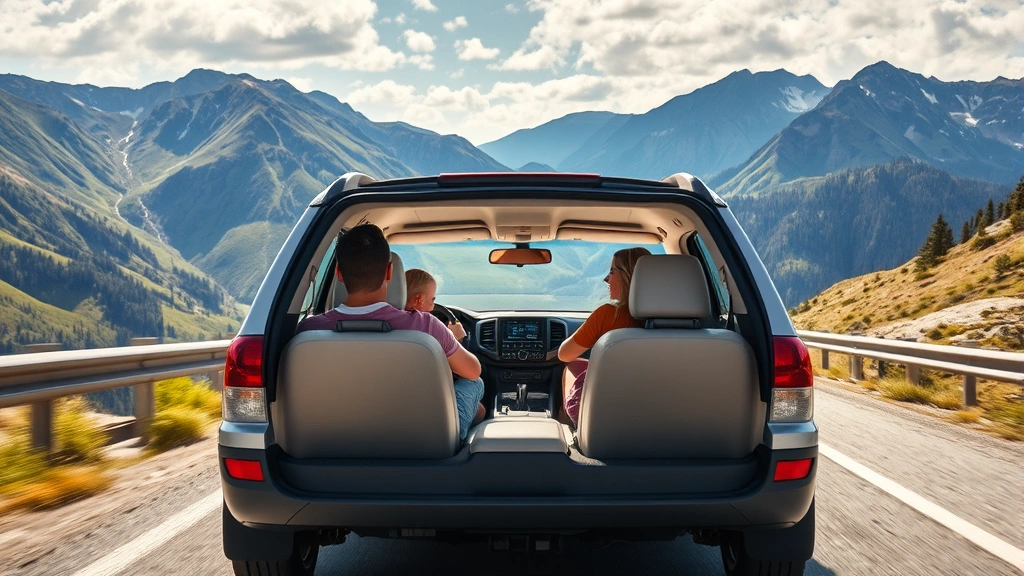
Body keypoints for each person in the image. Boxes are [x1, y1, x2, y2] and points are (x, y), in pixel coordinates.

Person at [295, 224, 485, 441]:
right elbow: (472, 372)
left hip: (337, 438)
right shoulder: (426, 326)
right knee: (475, 385)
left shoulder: (308, 331)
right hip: (422, 442)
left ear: (338, 273)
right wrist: (455, 339)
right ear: (389, 272)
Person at [557, 247, 651, 426]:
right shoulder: (688, 327)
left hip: (605, 417)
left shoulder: (608, 316)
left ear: (628, 276)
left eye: (611, 271)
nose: (606, 279)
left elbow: (564, 354)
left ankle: (575, 434)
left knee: (572, 365)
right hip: (658, 410)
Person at [405, 268, 467, 342]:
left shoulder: (389, 322)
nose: (433, 306)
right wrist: (459, 337)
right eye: (432, 299)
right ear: (419, 299)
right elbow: (459, 353)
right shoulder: (432, 326)